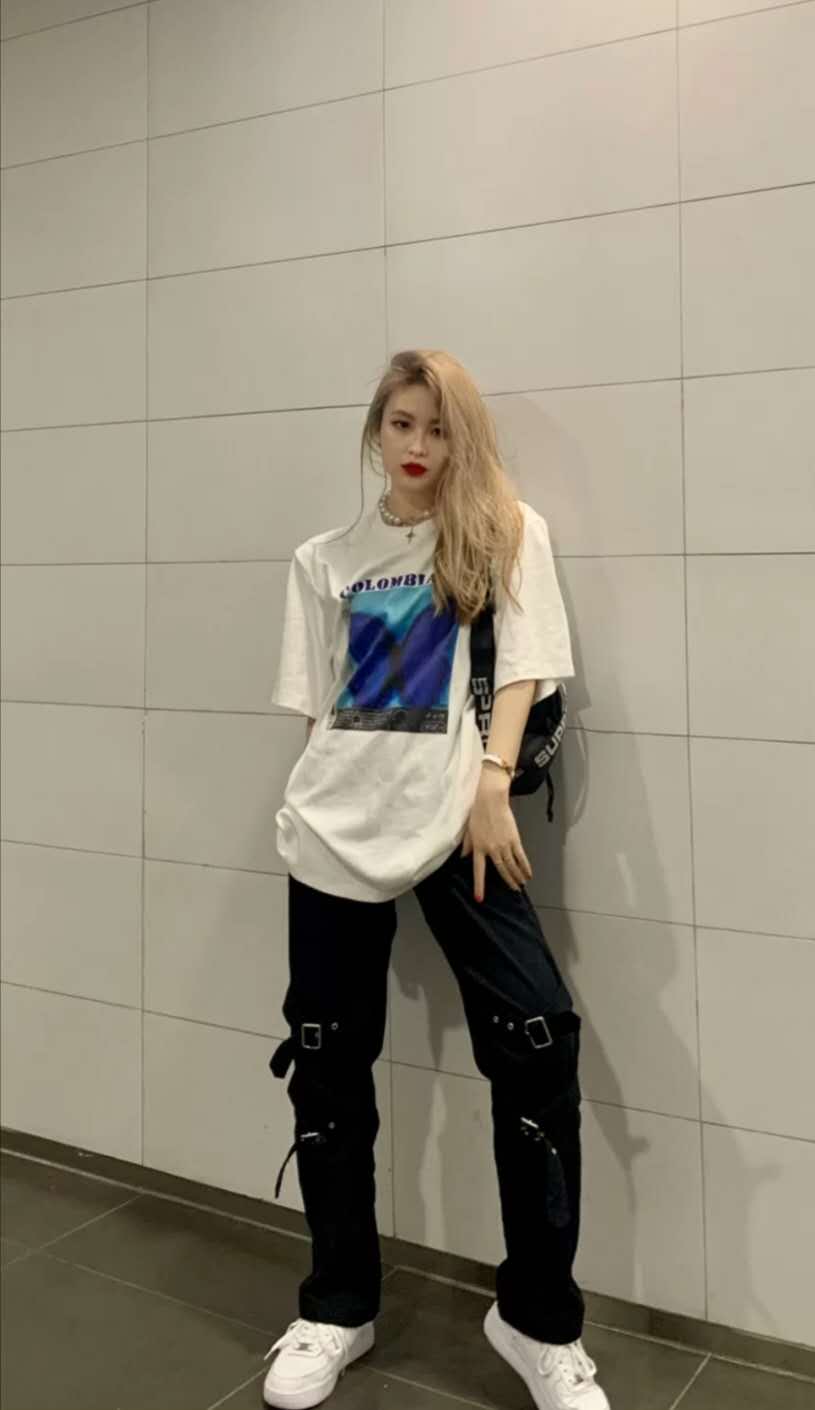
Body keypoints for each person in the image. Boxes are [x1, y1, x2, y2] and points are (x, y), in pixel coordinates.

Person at [262, 350, 609, 1410]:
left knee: (539, 1042)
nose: (418, 446)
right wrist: (322, 805)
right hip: (335, 829)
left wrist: (494, 780)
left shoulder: (503, 532)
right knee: (327, 1067)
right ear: (376, 431)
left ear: (465, 436)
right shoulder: (324, 559)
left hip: (464, 823)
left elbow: (527, 663)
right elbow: (322, 713)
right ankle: (337, 1305)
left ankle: (537, 1321)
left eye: (439, 427)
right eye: (402, 424)